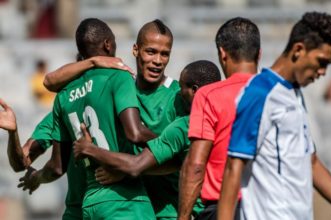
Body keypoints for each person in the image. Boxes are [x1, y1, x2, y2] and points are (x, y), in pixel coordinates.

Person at [217, 12, 331, 220]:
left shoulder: (293, 93)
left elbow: (311, 162)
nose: (323, 71)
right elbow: (233, 167)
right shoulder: (259, 93)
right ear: (299, 50)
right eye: (321, 61)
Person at [43, 19, 188, 219]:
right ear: (135, 50)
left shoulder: (178, 97)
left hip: (168, 210)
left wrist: (130, 168)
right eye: (151, 52)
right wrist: (93, 61)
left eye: (165, 54)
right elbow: (50, 81)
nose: (158, 60)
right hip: (127, 202)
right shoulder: (119, 86)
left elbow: (183, 158)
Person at [20, 18, 157, 220]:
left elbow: (57, 166)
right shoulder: (118, 76)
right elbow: (135, 133)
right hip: (124, 199)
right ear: (108, 44)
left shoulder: (64, 95)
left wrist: (36, 177)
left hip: (89, 203)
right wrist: (174, 143)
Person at [72, 59, 221, 218]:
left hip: (201, 211)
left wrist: (89, 149)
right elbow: (178, 162)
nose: (179, 90)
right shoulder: (232, 116)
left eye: (182, 87)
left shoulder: (184, 126)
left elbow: (135, 165)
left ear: (195, 90)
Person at [178, 17, 261, 220]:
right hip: (267, 207)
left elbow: (196, 166)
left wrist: (183, 217)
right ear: (259, 54)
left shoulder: (208, 95)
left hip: (223, 208)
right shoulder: (278, 93)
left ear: (222, 53)